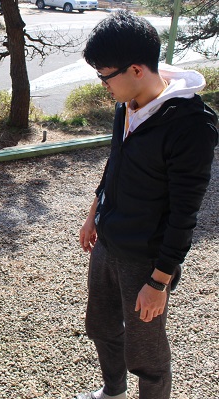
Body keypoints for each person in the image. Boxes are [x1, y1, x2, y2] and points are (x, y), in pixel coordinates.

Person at [77, 10, 218, 399]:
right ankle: (113, 392)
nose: (103, 84)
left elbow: (185, 213)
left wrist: (160, 280)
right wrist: (94, 215)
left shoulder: (190, 125)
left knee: (147, 355)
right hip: (108, 241)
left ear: (136, 69)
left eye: (105, 75)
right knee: (101, 326)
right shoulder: (127, 102)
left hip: (145, 259)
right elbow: (114, 164)